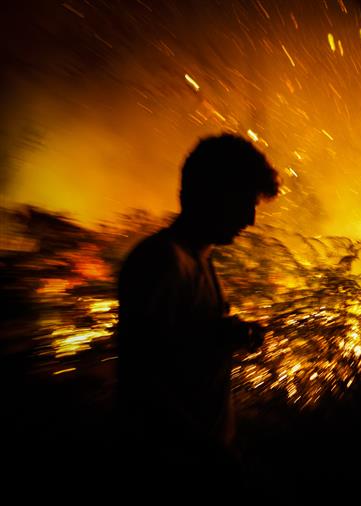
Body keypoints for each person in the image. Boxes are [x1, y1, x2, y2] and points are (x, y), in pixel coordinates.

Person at [116, 134, 279, 491]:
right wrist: (208, 453)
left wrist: (225, 335)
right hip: (176, 469)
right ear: (211, 193)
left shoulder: (199, 259)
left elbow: (176, 344)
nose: (251, 220)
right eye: (244, 203)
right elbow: (140, 380)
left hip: (201, 459)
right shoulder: (162, 262)